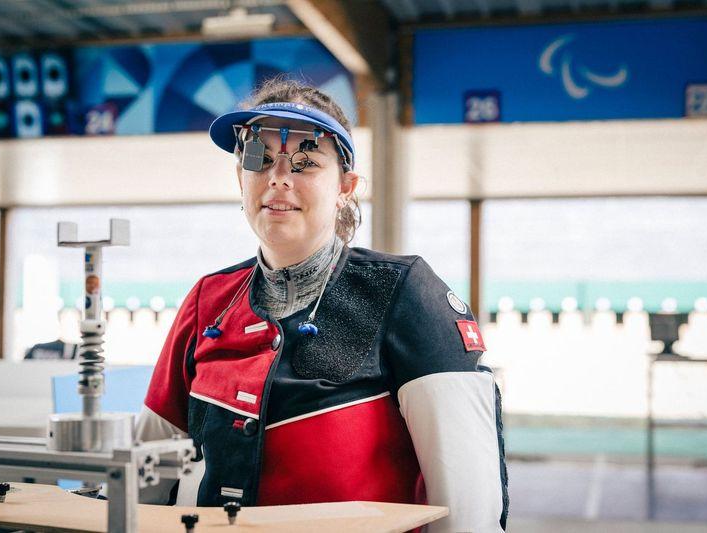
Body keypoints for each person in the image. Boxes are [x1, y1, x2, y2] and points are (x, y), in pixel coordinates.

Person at [137, 78, 509, 532]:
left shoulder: (405, 292)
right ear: (241, 178)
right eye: (259, 159)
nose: (277, 177)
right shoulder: (207, 301)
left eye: (306, 162)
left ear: (345, 187)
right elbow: (146, 474)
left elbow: (469, 498)